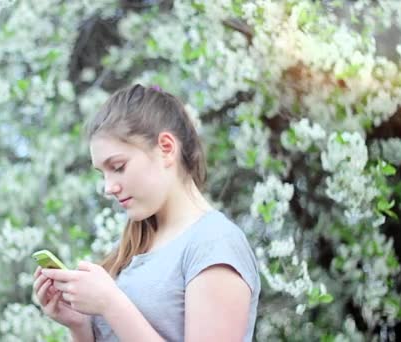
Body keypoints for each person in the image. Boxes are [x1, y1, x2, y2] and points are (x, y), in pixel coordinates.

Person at [33, 84, 260, 341]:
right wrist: (80, 326)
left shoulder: (215, 244)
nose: (108, 188)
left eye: (118, 166)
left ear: (166, 147)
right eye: (103, 173)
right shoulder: (134, 246)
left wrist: (111, 303)